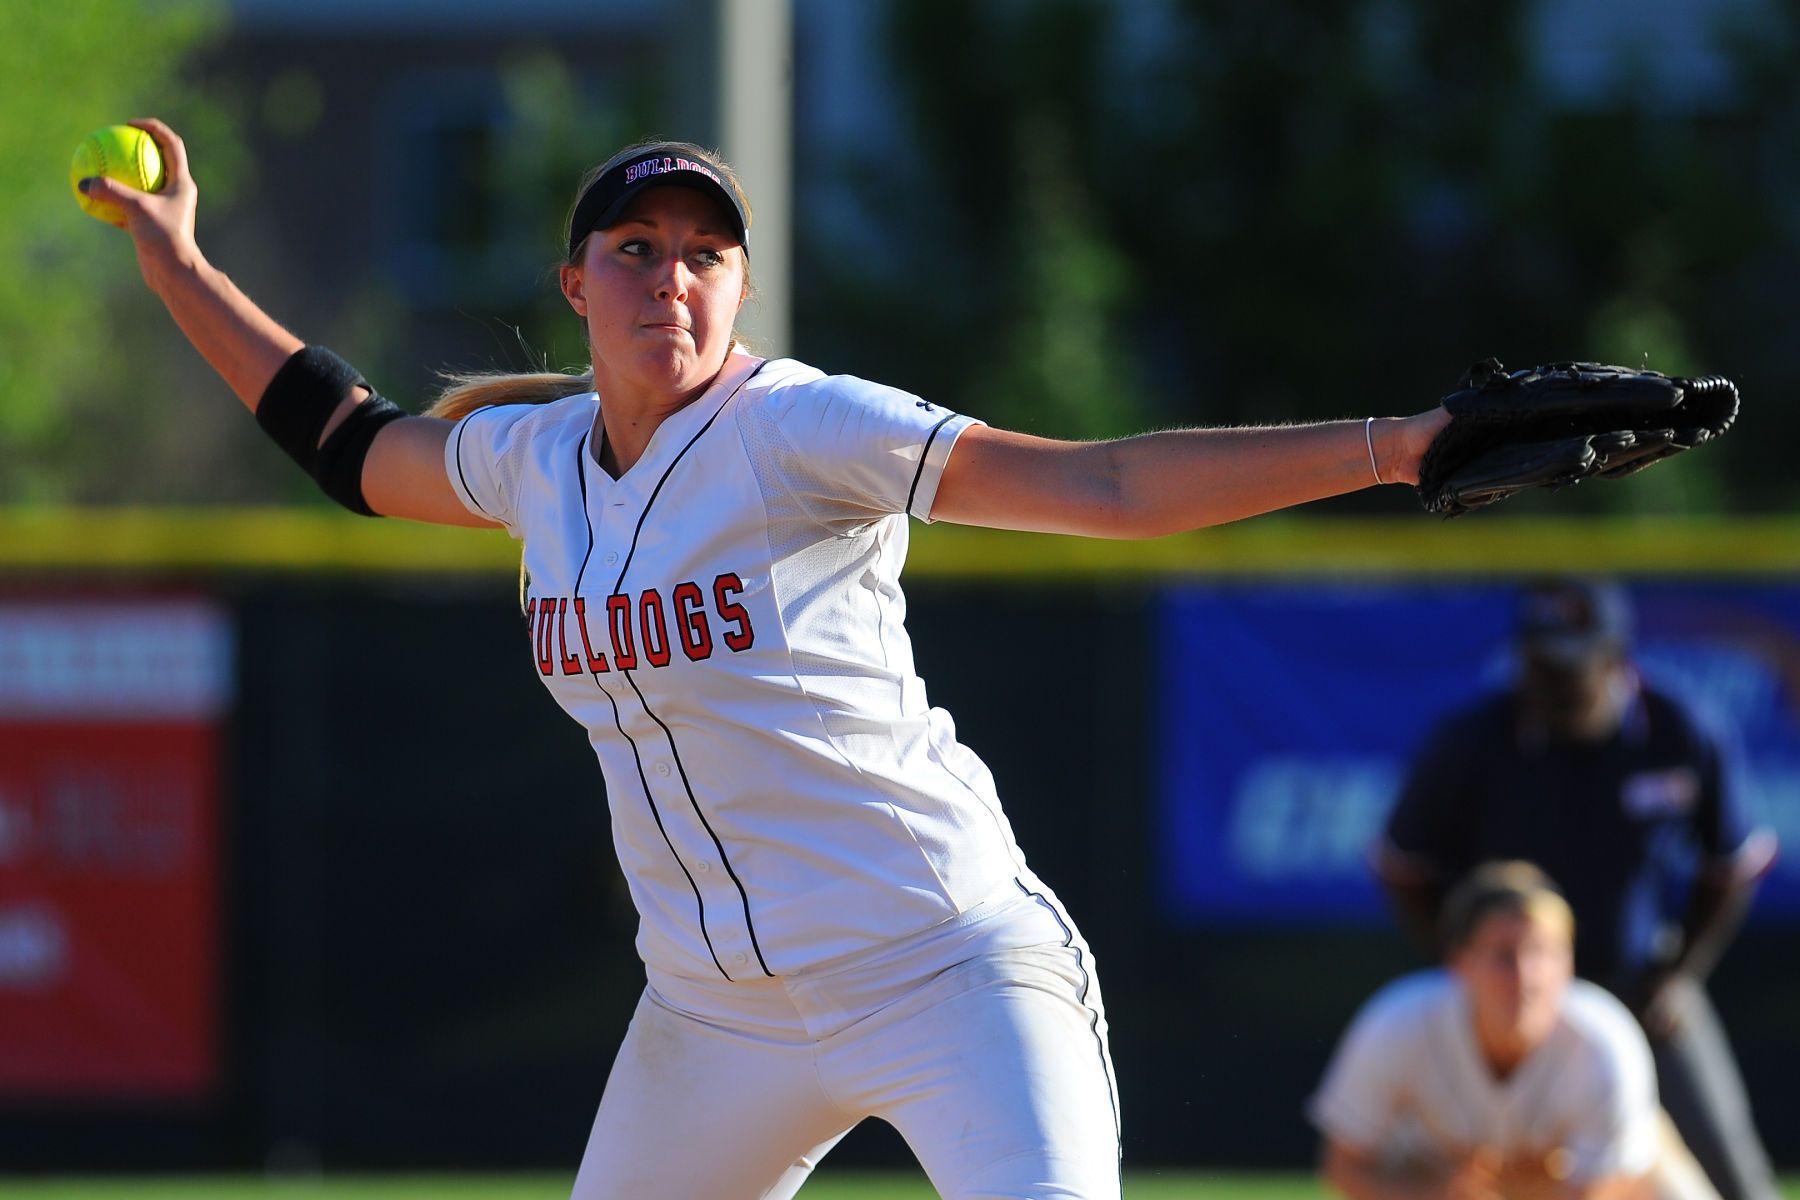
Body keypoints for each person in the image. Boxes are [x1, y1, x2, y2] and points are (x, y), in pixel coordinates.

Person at [86, 118, 1454, 1200]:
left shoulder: (802, 430)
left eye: (706, 255)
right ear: (575, 283)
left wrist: (1398, 449)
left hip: (945, 967)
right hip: (715, 1015)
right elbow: (349, 444)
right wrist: (177, 265)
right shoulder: (535, 459)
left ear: (741, 288)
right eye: (636, 248)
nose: (671, 278)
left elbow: (1103, 487)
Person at [1377, 579, 1781, 1200]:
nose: (1553, 683)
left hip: (1639, 986)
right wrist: (1466, 967)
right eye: (1540, 664)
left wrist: (1680, 973)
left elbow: (1731, 865)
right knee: (1441, 1172)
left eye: (1571, 665)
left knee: (1731, 1173)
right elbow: (1403, 865)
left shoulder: (1679, 729)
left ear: (1617, 658)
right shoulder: (1472, 740)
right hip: (1509, 999)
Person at [1310, 861, 1719, 1200]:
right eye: (1504, 955)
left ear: (1568, 965)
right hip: (1437, 1181)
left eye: (1542, 953)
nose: (1525, 976)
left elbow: (1607, 1187)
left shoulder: (1604, 1040)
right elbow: (1344, 1166)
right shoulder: (1398, 1024)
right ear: (1460, 962)